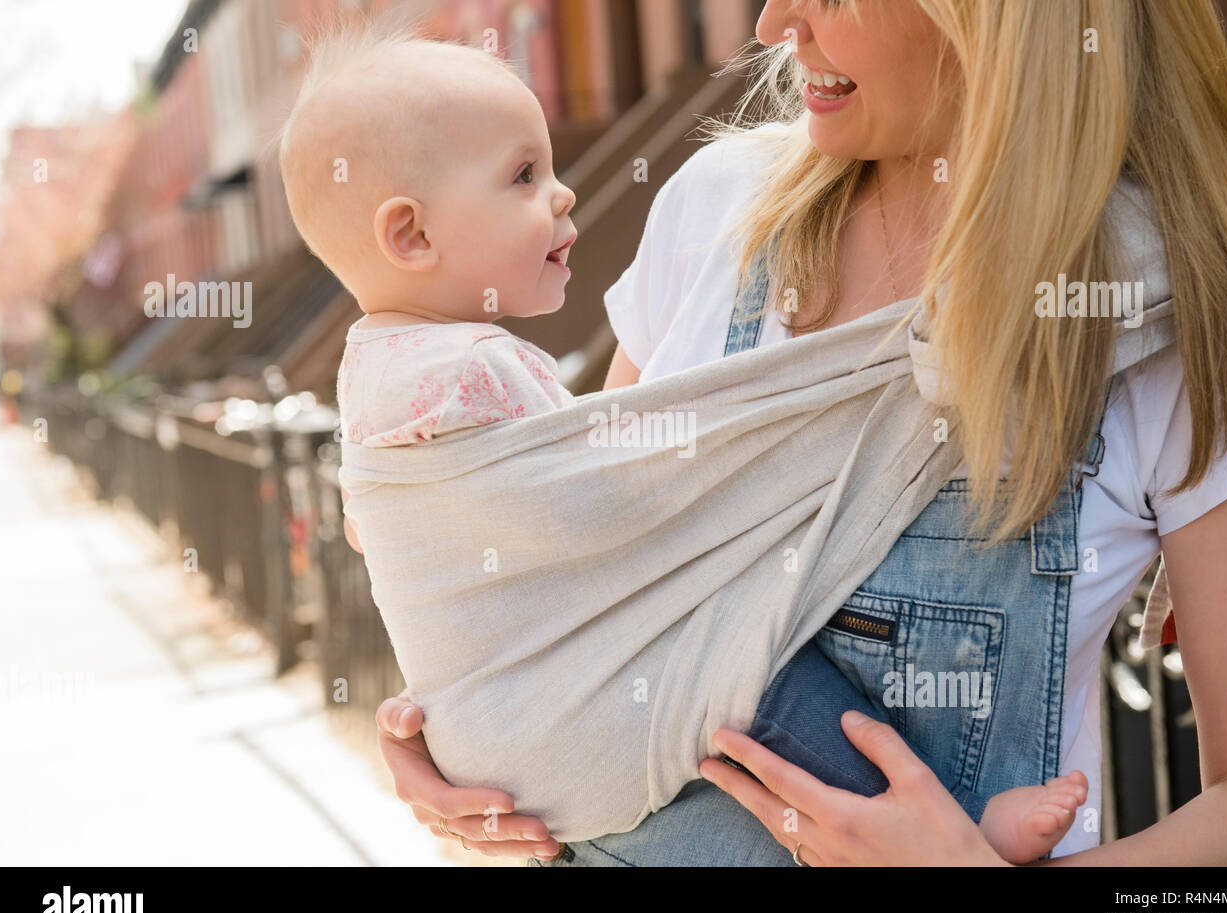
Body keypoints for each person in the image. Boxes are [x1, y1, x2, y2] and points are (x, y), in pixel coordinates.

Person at [376, 0, 1227, 866]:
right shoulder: (713, 215)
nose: (774, 23)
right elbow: (588, 573)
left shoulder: (1171, 309)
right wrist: (464, 730)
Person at [280, 26, 1093, 863]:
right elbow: (611, 511)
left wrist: (458, 706)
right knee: (761, 690)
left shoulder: (368, 378)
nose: (561, 196)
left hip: (514, 759)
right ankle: (959, 827)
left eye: (551, 168)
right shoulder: (482, 370)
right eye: (523, 176)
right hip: (584, 729)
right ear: (411, 236)